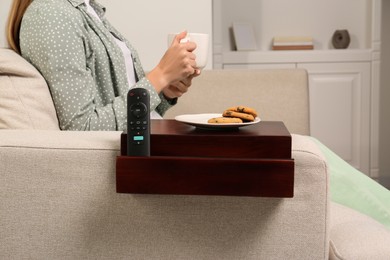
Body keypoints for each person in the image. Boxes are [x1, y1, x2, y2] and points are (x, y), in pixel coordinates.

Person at [7, 0, 200, 131]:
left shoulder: (85, 9)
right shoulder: (52, 15)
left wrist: (164, 91)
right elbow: (82, 127)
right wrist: (161, 75)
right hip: (132, 158)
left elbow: (122, 105)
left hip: (146, 143)